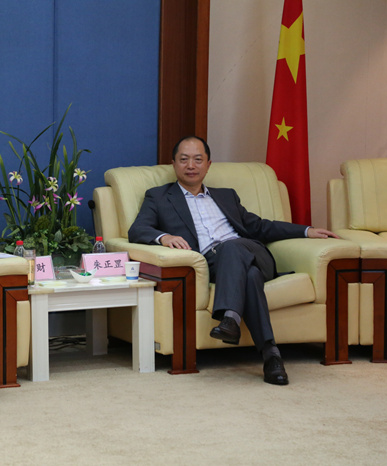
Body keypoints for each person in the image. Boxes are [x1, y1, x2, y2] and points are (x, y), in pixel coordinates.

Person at [128, 136, 338, 385]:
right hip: (214, 265)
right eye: (184, 159)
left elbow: (259, 226)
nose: (191, 165)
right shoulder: (159, 196)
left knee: (232, 246)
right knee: (250, 276)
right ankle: (271, 356)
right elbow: (137, 230)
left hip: (251, 252)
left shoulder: (226, 196)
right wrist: (164, 237)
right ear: (173, 164)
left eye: (198, 159)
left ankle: (230, 318)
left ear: (208, 164)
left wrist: (305, 230)